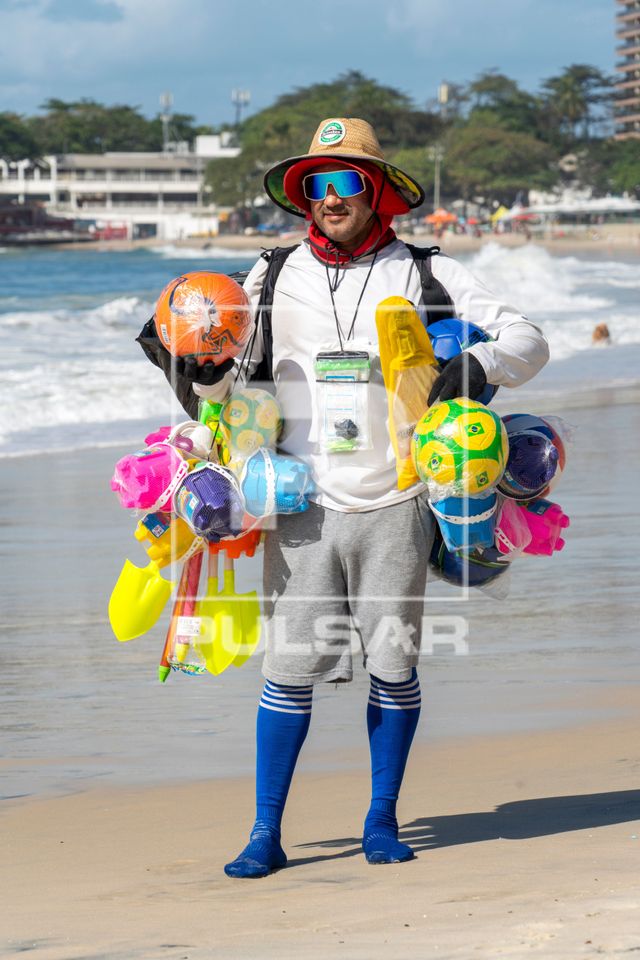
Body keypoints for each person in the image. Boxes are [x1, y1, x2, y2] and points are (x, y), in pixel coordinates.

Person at [138, 117, 549, 879]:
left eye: (346, 181)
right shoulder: (269, 274)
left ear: (377, 191)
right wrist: (203, 375)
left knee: (393, 665)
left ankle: (381, 819)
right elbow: (222, 375)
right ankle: (265, 833)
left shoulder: (426, 272)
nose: (330, 198)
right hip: (297, 502)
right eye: (316, 185)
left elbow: (529, 340)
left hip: (397, 498)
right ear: (304, 197)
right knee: (289, 672)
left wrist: (478, 366)